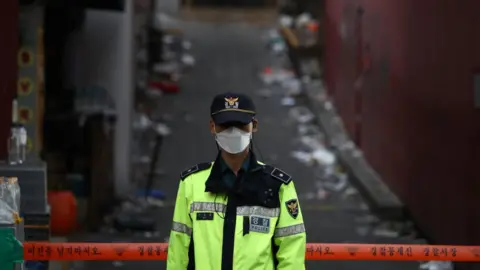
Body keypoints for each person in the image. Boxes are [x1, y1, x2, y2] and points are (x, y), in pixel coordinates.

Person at [167, 92, 306, 270]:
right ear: (212, 127)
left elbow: (291, 253)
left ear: (254, 126)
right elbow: (178, 251)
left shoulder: (278, 185)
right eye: (225, 125)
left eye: (240, 125)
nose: (233, 132)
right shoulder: (191, 183)